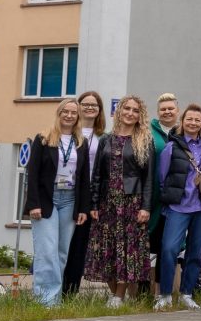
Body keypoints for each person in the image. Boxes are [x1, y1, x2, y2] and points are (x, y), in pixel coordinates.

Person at [85, 95, 155, 308]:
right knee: (105, 250)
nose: (130, 113)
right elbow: (96, 174)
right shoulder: (106, 139)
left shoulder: (144, 140)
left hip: (131, 203)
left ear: (139, 115)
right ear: (120, 111)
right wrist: (94, 204)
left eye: (135, 110)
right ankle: (116, 294)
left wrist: (145, 207)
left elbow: (149, 178)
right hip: (107, 204)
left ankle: (118, 297)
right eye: (127, 109)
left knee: (127, 250)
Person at [27, 99, 91, 306]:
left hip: (70, 199)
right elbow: (32, 173)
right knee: (47, 251)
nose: (69, 115)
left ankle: (54, 298)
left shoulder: (81, 142)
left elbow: (84, 177)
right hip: (47, 199)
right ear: (59, 113)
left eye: (74, 112)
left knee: (62, 252)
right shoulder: (43, 138)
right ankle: (46, 302)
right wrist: (33, 204)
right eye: (66, 111)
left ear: (78, 117)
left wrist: (83, 208)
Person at [154, 104, 201, 310]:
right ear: (182, 122)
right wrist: (171, 199)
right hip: (178, 207)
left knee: (195, 252)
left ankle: (187, 293)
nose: (193, 123)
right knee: (169, 249)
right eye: (189, 119)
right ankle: (165, 295)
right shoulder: (171, 147)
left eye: (197, 120)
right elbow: (162, 178)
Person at [62, 90, 105, 295]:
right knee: (62, 244)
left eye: (94, 105)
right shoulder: (68, 133)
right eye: (85, 104)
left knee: (79, 245)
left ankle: (70, 292)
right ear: (78, 107)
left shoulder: (102, 137)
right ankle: (53, 290)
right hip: (67, 193)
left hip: (88, 198)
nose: (89, 107)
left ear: (99, 111)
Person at [142, 92, 178, 296]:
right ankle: (139, 292)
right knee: (144, 248)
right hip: (150, 199)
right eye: (163, 109)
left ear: (177, 111)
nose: (167, 112)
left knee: (168, 248)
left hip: (175, 202)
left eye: (170, 108)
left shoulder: (183, 132)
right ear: (158, 112)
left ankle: (161, 293)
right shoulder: (148, 133)